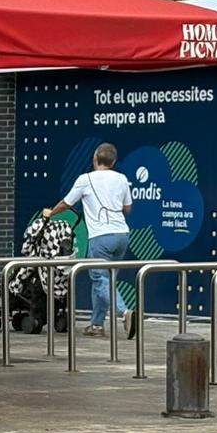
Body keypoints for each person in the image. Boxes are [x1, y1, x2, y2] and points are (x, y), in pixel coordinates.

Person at [42, 142, 133, 339]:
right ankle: (96, 325)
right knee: (105, 281)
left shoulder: (85, 179)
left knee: (100, 280)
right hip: (122, 236)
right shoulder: (122, 179)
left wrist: (51, 212)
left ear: (94, 159)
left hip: (100, 237)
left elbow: (67, 203)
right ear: (114, 162)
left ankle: (125, 312)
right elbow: (127, 209)